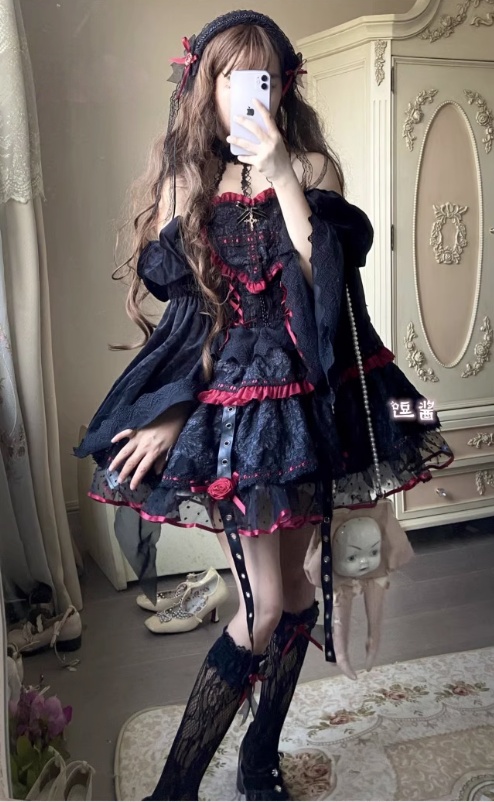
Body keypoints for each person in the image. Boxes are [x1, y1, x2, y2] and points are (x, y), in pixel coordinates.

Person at [74, 10, 454, 801]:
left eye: (265, 76)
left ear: (283, 87)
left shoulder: (311, 166)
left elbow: (323, 294)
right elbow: (190, 320)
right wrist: (173, 414)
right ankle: (175, 787)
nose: (250, 91)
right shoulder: (187, 182)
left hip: (311, 406)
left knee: (302, 593)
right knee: (268, 602)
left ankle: (259, 757)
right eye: (230, 76)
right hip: (233, 419)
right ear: (203, 87)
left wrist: (283, 174)